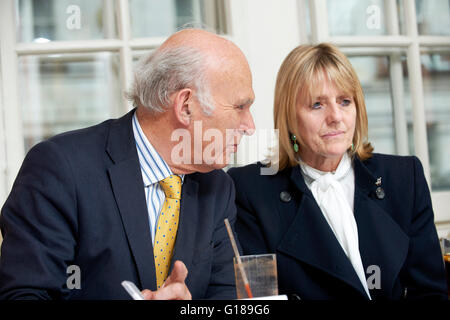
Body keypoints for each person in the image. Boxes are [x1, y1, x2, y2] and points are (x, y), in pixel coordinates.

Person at [0, 28, 255, 300]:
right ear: (185, 106)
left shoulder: (217, 187)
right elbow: (24, 295)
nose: (250, 126)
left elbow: (227, 297)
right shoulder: (60, 169)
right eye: (240, 107)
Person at [228, 43, 447, 300]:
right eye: (317, 105)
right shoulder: (251, 190)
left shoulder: (403, 177)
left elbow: (430, 293)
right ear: (289, 117)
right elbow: (260, 300)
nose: (335, 117)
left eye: (345, 101)